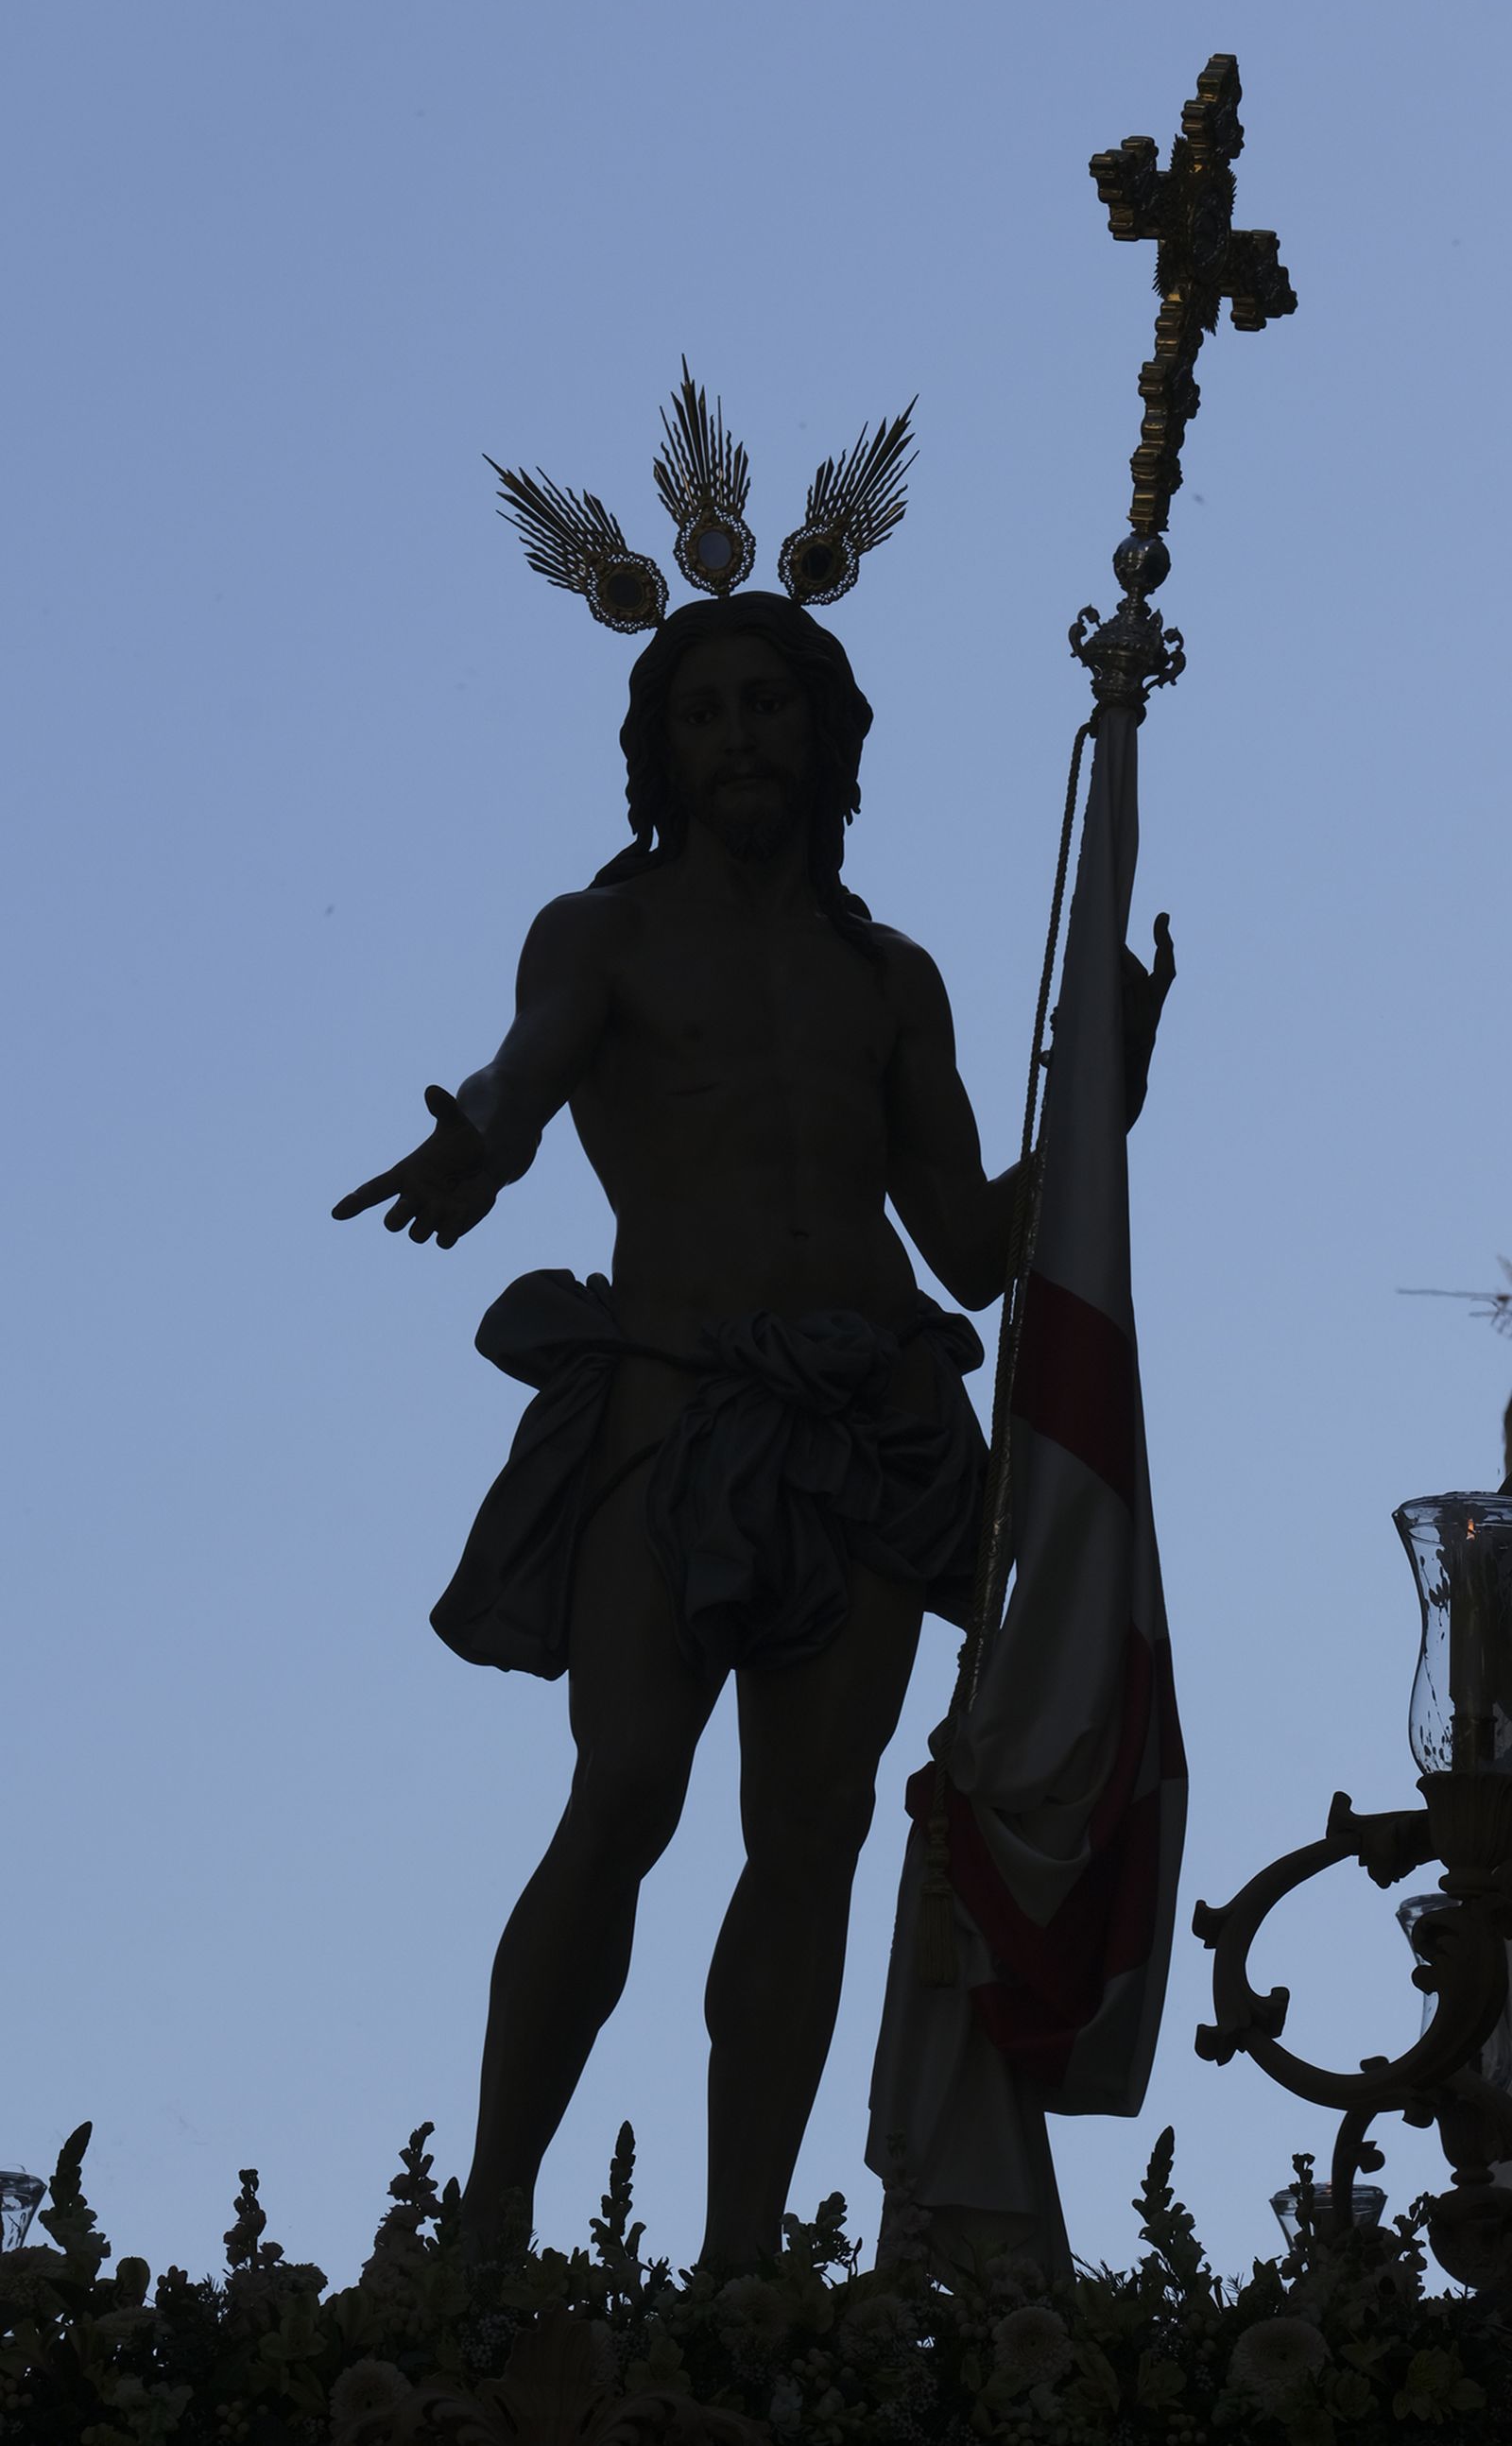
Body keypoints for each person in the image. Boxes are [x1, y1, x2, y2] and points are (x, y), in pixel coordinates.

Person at [334, 587, 1173, 2269]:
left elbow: (963, 1243)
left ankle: (739, 2260)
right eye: (704, 711)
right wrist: (478, 1143)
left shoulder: (890, 974)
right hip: (680, 1393)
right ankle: (489, 2211)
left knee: (814, 1832)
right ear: (656, 750)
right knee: (628, 1784)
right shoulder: (603, 931)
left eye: (768, 707)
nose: (739, 739)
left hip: (864, 1419)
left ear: (826, 738)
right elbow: (527, 1066)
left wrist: (1104, 1091)